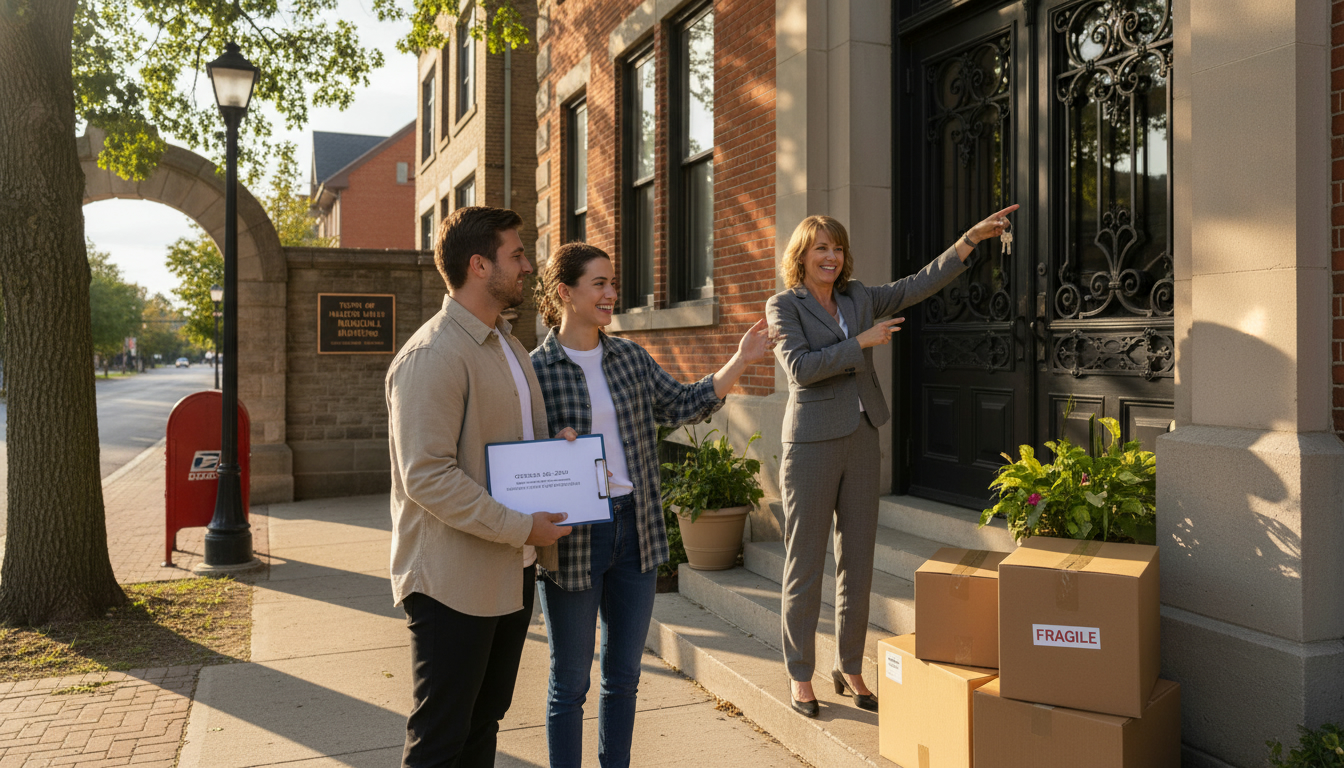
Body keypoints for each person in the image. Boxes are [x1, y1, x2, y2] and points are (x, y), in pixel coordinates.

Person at [529, 242, 775, 768]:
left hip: (635, 528)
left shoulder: (630, 358)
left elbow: (683, 403)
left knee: (623, 677)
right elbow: (520, 457)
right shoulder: (535, 370)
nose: (611, 293)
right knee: (569, 682)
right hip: (574, 538)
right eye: (599, 283)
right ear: (565, 292)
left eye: (612, 283)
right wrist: (551, 445)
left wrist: (740, 360)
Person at [767, 207, 1018, 718]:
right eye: (821, 248)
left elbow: (917, 284)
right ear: (802, 255)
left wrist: (970, 238)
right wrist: (859, 342)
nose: (832, 257)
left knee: (858, 562)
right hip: (811, 444)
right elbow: (800, 368)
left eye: (837, 248)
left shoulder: (858, 297)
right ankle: (799, 674)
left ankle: (849, 666)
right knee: (805, 564)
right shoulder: (784, 305)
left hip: (862, 436)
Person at [386, 205, 573, 768]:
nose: (528, 266)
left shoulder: (508, 345)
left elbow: (507, 446)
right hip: (451, 582)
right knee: (440, 739)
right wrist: (521, 526)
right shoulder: (431, 355)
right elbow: (428, 475)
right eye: (517, 254)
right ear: (479, 265)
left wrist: (557, 452)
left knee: (483, 723)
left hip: (510, 568)